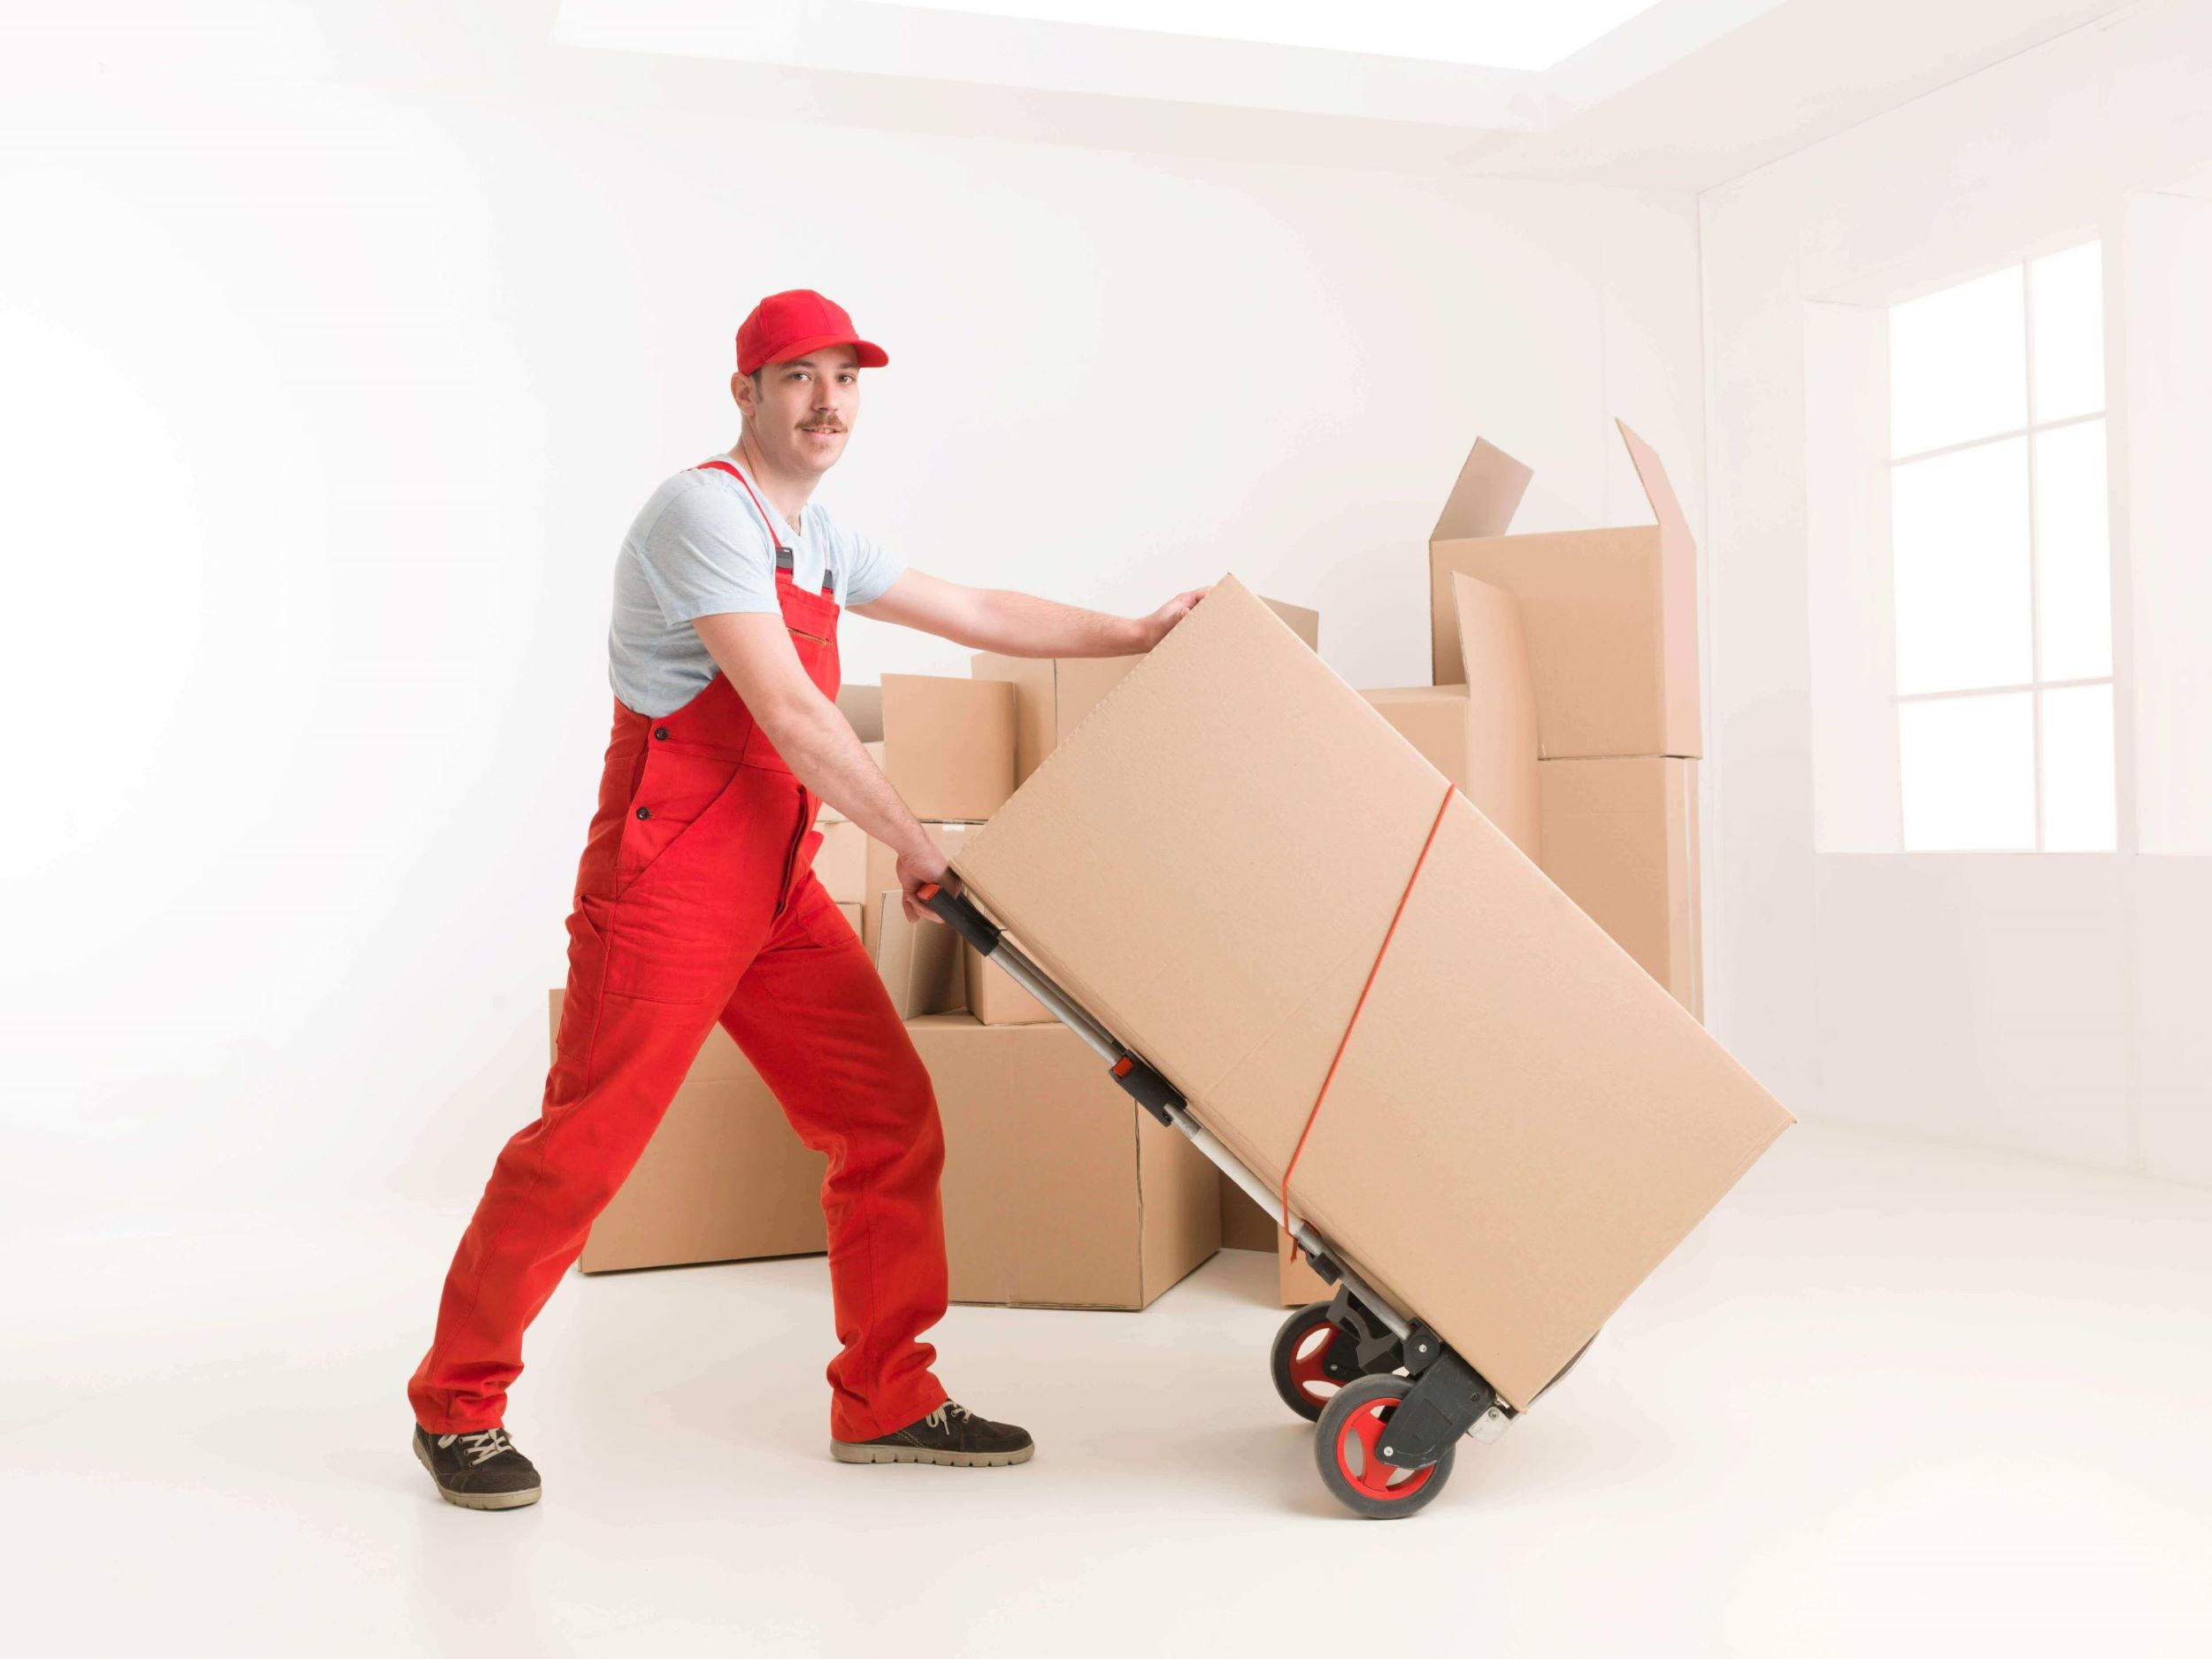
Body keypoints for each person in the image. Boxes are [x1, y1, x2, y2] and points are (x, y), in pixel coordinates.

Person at [406, 288, 1211, 1509]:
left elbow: (978, 611)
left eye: (846, 378)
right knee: (586, 1142)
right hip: (670, 876)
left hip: (777, 885)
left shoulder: (821, 534)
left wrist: (1137, 632)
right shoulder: (703, 513)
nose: (827, 401)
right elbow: (788, 712)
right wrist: (917, 846)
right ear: (746, 393)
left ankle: (887, 1396)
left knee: (886, 1118)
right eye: (798, 377)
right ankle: (457, 1407)